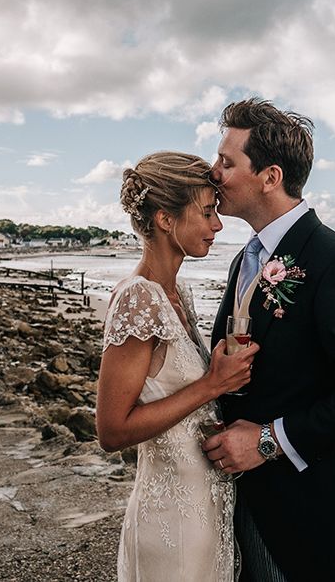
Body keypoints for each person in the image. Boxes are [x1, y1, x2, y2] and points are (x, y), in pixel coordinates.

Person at [202, 98, 335, 581]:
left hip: (309, 515)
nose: (213, 173)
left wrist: (268, 441)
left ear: (270, 177)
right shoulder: (244, 258)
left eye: (227, 162)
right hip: (239, 501)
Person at [97, 151, 259, 582]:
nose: (218, 225)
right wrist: (210, 385)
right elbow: (112, 430)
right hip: (171, 523)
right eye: (207, 213)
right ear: (166, 220)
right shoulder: (138, 299)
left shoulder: (177, 293)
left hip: (207, 511)